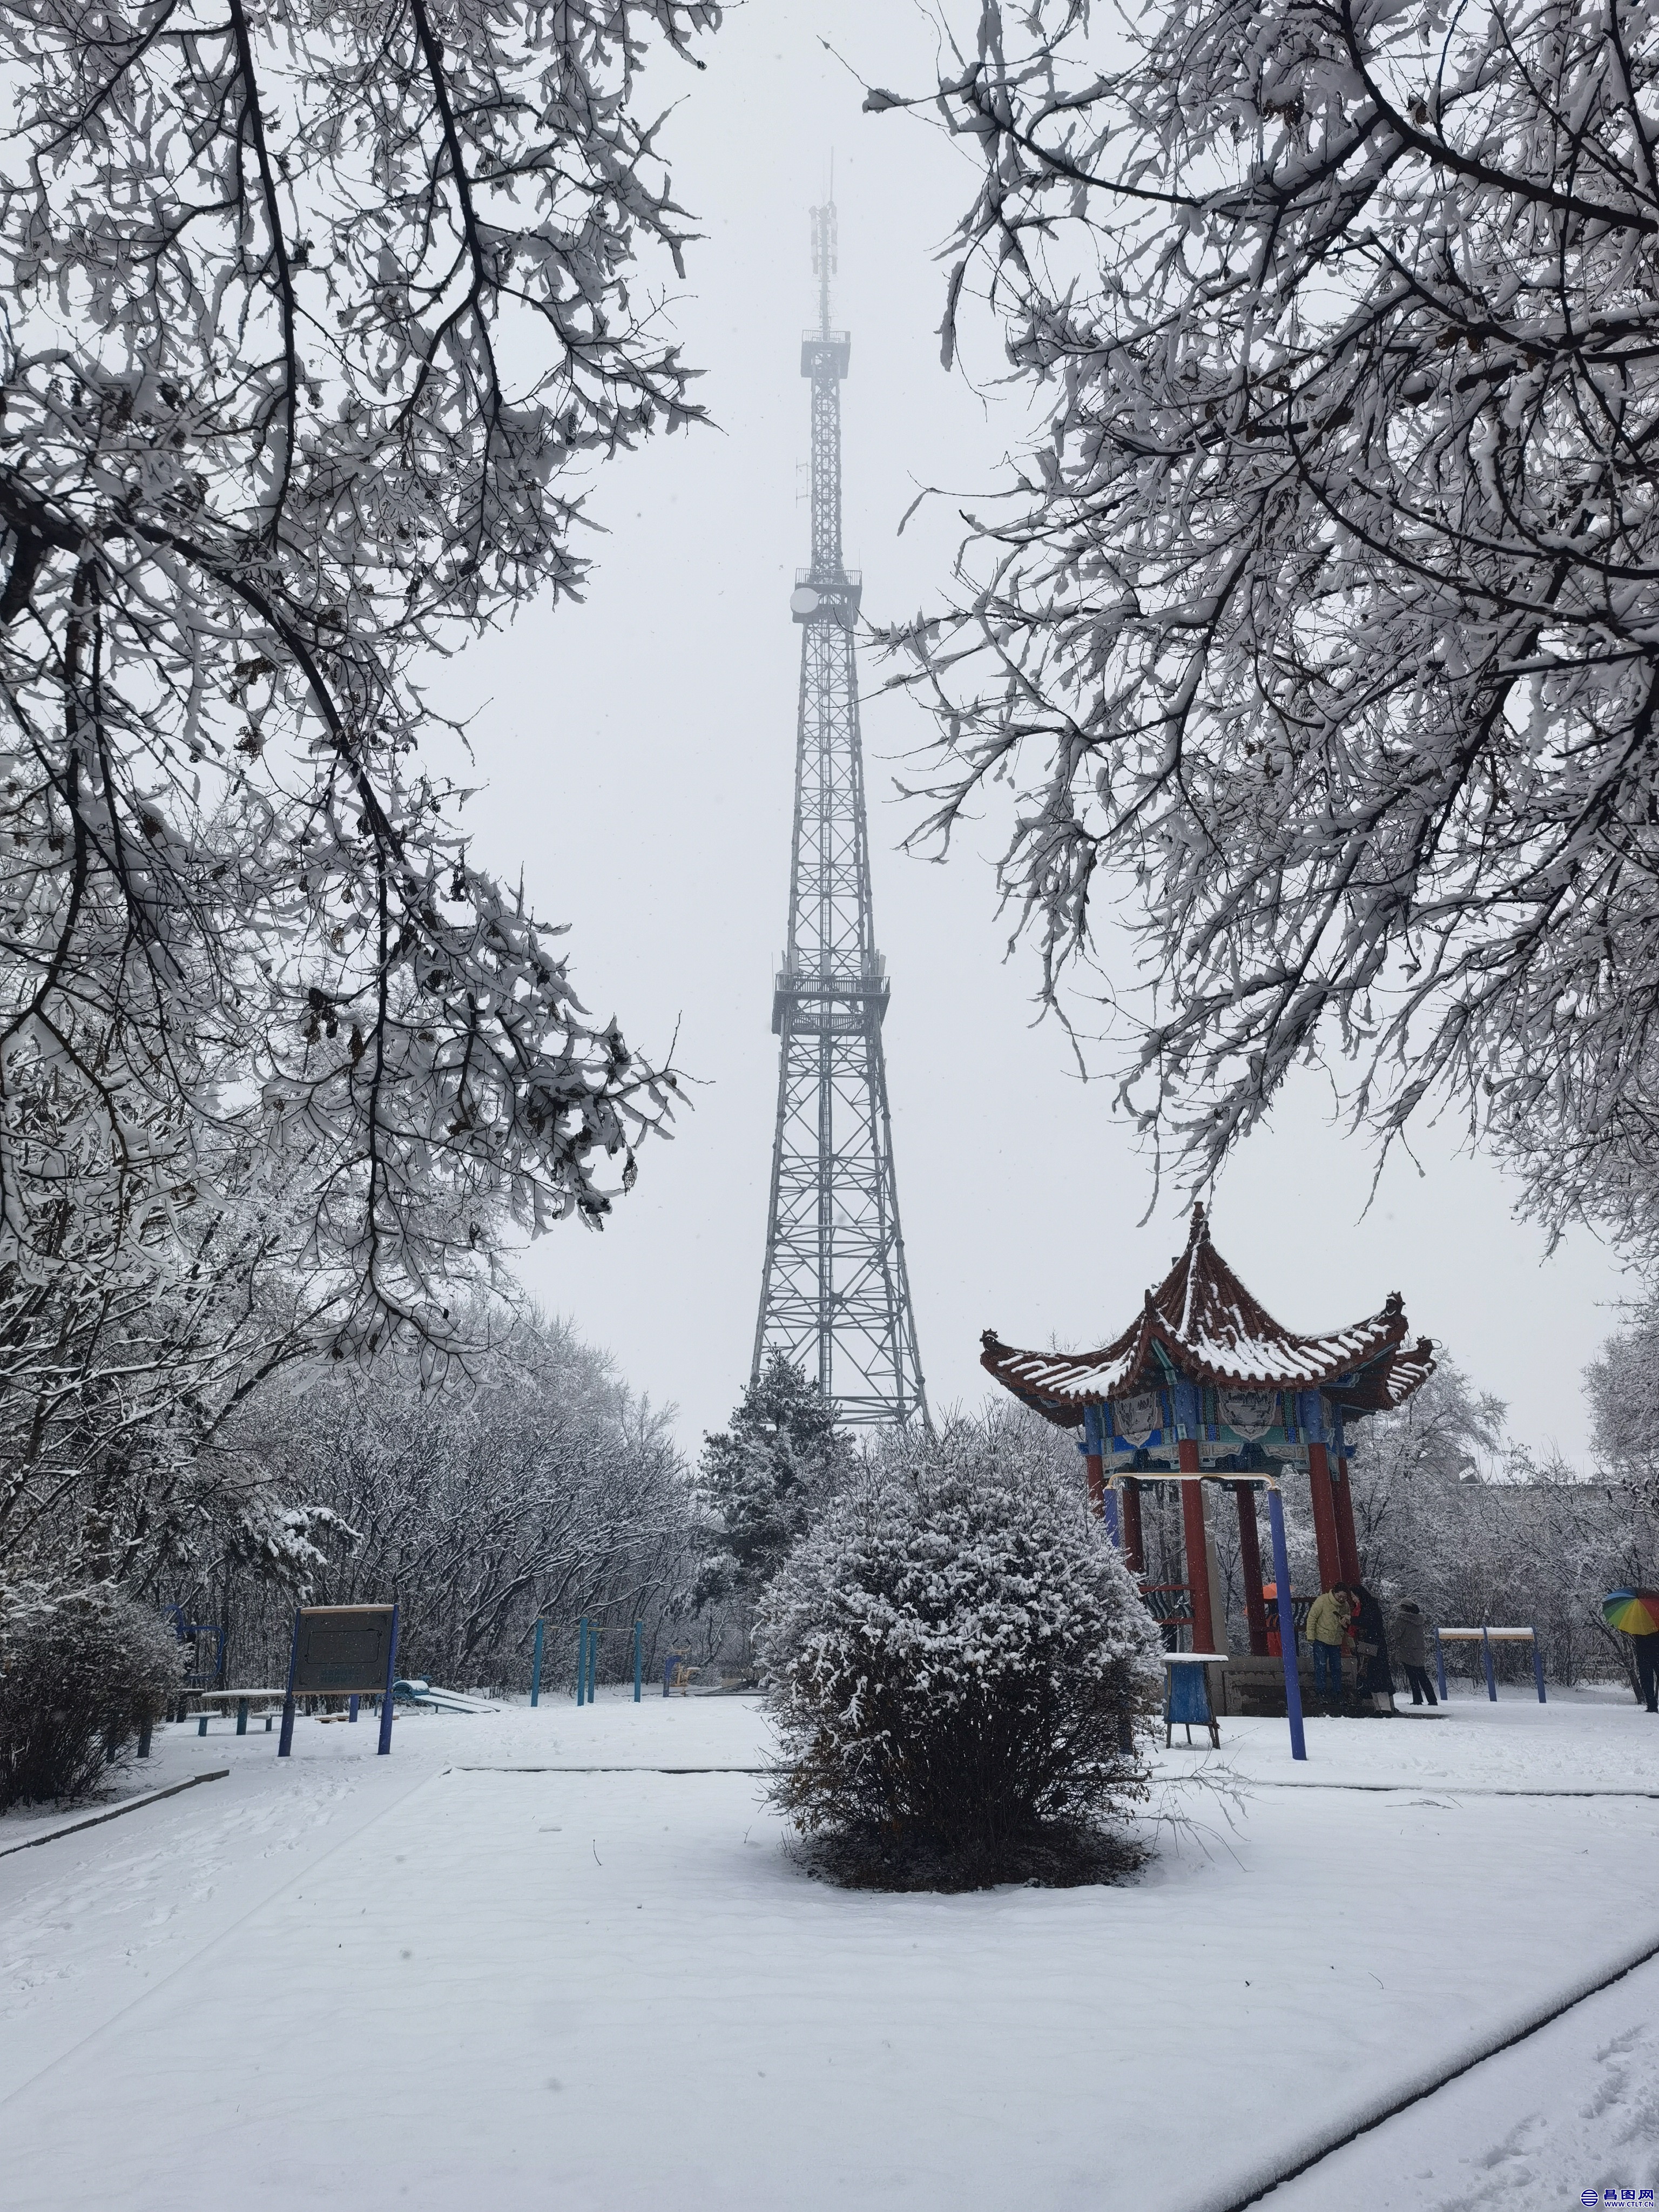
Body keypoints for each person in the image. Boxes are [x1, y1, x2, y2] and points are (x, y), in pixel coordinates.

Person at [1348, 1582, 1397, 1713]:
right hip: (1365, 1645)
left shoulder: (1370, 1607)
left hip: (1375, 1645)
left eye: (1354, 1596)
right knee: (1368, 1675)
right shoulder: (1362, 1608)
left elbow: (1369, 1623)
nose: (1353, 1599)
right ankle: (1378, 1708)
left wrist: (1352, 1620)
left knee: (1378, 1675)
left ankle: (1385, 1708)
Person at [1304, 1585, 1351, 1710]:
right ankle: (1321, 1692)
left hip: (1336, 1640)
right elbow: (1312, 1617)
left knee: (1337, 1668)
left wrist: (1346, 1624)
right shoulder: (1323, 1600)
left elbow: (1349, 1626)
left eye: (1344, 1597)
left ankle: (1338, 1692)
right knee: (1321, 1666)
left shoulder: (1346, 1606)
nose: (1341, 1599)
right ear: (1334, 1593)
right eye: (1339, 1596)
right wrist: (1311, 1635)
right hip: (1321, 1639)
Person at [1394, 1600, 1438, 1707]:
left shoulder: (1402, 1619)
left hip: (1407, 1651)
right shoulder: (1419, 1620)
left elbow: (1396, 1634)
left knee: (1412, 1677)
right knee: (1423, 1676)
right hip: (1419, 1651)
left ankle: (1417, 1700)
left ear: (1405, 1608)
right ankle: (1432, 1700)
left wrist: (1391, 1625)